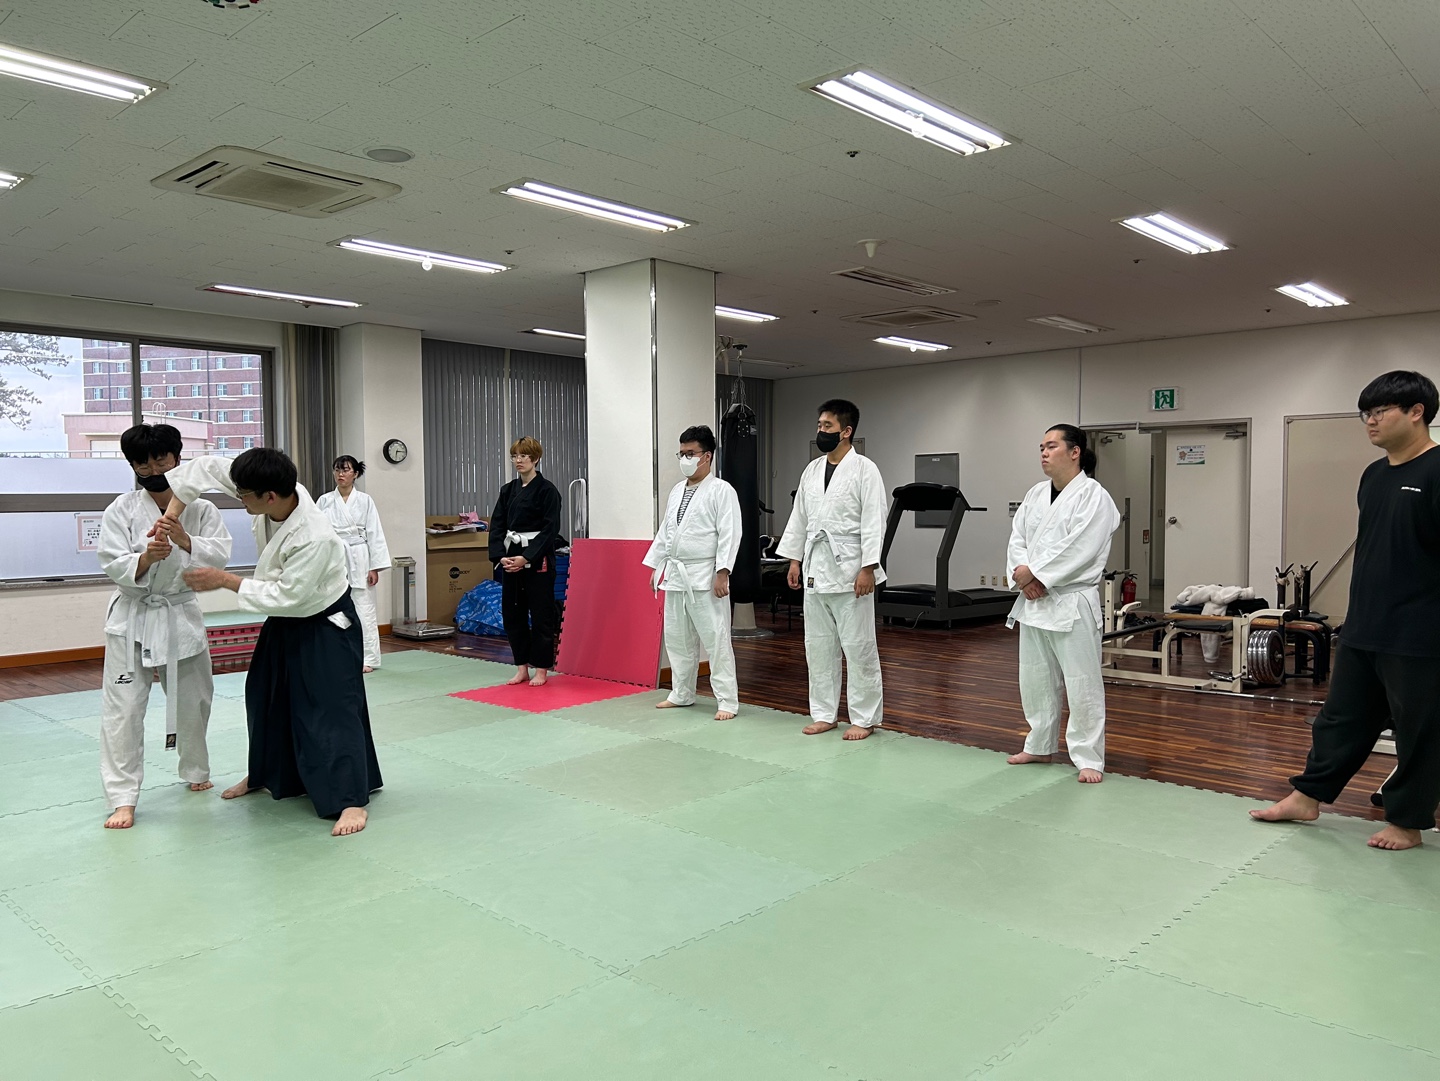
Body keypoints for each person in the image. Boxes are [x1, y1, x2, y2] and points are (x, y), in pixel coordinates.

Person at [1252, 370, 1440, 850]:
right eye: (1366, 414)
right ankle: (1307, 797)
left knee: (1419, 731)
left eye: (1380, 411)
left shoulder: (1437, 470)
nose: (1370, 421)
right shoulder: (1374, 474)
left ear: (1417, 412)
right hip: (1365, 624)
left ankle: (1407, 822)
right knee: (1339, 719)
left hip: (1421, 630)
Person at [156, 447, 382, 837]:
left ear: (270, 497)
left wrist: (224, 580)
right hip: (287, 619)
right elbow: (204, 467)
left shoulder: (315, 536)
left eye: (244, 497)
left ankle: (350, 799)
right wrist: (171, 515)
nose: (239, 500)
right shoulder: (264, 484)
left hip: (324, 619)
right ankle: (265, 773)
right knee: (264, 693)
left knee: (331, 707)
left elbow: (287, 596)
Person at [96, 424, 233, 829]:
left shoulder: (202, 509)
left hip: (179, 613)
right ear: (132, 465)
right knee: (122, 711)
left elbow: (220, 556)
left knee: (194, 702)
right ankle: (122, 798)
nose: (154, 469)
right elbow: (111, 560)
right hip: (132, 618)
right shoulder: (121, 509)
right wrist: (146, 558)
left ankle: (195, 769)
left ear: (177, 458)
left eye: (161, 460)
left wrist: (186, 540)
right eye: (143, 463)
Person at [1005, 425, 1122, 783]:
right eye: (1041, 447)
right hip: (1034, 599)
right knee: (1035, 678)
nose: (1043, 452)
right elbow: (1017, 539)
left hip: (1071, 599)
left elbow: (1081, 547)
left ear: (1075, 452)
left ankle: (1088, 757)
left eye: (1051, 446)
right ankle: (1039, 745)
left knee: (1081, 681)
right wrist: (1024, 577)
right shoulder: (1035, 493)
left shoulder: (1094, 496)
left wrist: (1038, 575)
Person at [777, 399, 887, 739]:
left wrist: (868, 567)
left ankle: (864, 718)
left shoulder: (865, 469)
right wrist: (794, 560)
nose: (821, 431)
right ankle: (824, 713)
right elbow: (799, 517)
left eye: (827, 426)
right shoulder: (811, 470)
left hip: (851, 569)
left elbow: (874, 520)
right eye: (819, 425)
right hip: (815, 568)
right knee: (818, 647)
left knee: (858, 647)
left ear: (846, 431)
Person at [643, 425, 743, 720]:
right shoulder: (677, 490)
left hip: (705, 575)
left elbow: (730, 533)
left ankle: (727, 700)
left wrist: (722, 572)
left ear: (707, 456)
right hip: (676, 574)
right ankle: (682, 693)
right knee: (677, 639)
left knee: (716, 640)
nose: (685, 459)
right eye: (682, 453)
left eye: (690, 453)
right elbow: (666, 531)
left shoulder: (721, 490)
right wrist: (656, 566)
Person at [488, 436, 563, 687]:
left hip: (537, 559)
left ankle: (541, 669)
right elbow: (497, 525)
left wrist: (527, 557)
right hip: (511, 557)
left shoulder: (547, 490)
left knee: (541, 615)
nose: (518, 460)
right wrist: (501, 556)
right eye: (515, 456)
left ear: (536, 458)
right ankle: (521, 667)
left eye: (523, 456)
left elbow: (550, 530)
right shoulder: (507, 490)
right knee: (513, 614)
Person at [316, 455, 391, 673]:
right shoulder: (324, 501)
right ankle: (336, 656)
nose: (340, 474)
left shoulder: (365, 501)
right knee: (332, 607)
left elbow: (375, 533)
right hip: (334, 556)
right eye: (337, 470)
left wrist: (374, 566)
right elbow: (317, 531)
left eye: (346, 470)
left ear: (355, 474)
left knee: (364, 609)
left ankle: (368, 657)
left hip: (359, 556)